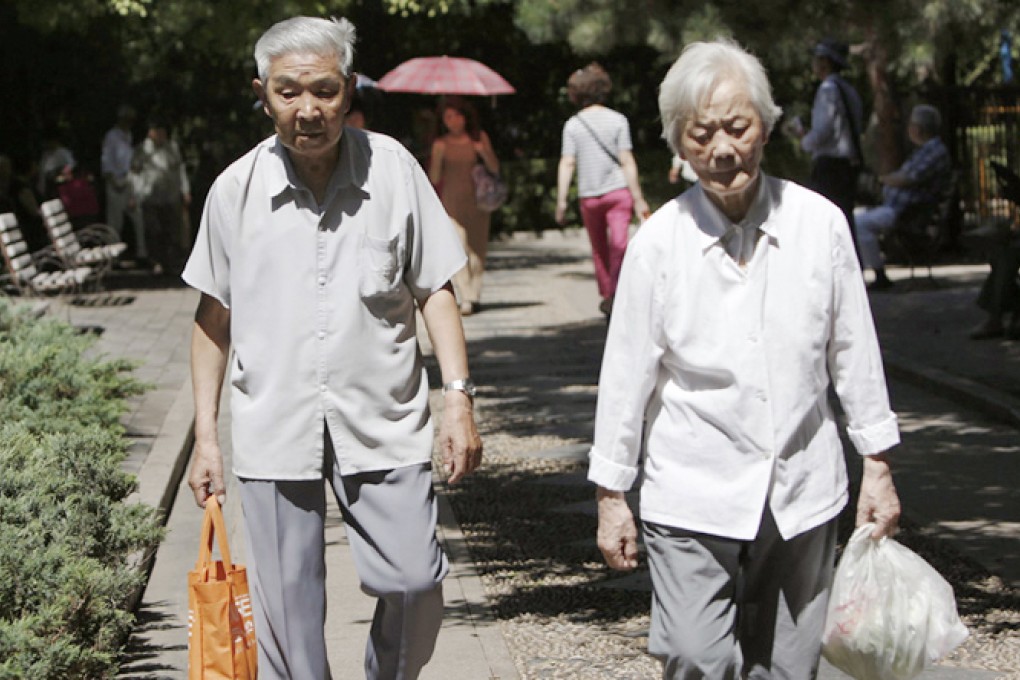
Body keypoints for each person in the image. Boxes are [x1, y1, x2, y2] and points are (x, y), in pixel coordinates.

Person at [589, 39, 902, 679]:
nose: (722, 149)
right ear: (677, 141)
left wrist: (877, 463)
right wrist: (610, 494)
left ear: (767, 125)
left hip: (802, 483)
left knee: (786, 668)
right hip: (691, 484)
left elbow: (854, 350)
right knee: (695, 656)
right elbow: (625, 377)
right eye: (700, 134)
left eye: (738, 127)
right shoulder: (658, 245)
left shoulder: (820, 224)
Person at [183, 16, 482, 680]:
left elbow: (436, 287)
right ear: (262, 94)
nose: (308, 110)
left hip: (383, 417)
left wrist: (457, 398)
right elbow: (212, 320)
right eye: (289, 92)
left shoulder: (395, 169)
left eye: (323, 90)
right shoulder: (235, 191)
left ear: (347, 89)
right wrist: (207, 436)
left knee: (414, 581)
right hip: (274, 426)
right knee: (288, 622)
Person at [555, 62, 650, 318]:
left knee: (599, 248)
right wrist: (639, 199)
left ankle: (608, 294)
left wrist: (562, 200)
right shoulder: (618, 120)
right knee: (619, 244)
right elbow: (627, 161)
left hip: (589, 195)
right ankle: (618, 291)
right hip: (618, 192)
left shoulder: (573, 125)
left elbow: (567, 162)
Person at [853, 104, 952, 290]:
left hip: (908, 213)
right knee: (853, 216)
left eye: (911, 125)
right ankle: (867, 272)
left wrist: (883, 180)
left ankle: (879, 275)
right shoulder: (925, 150)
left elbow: (908, 178)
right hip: (899, 208)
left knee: (859, 224)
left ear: (918, 128)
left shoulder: (934, 151)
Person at [428, 96, 499, 316]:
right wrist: (437, 157)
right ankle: (466, 296)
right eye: (448, 117)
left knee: (477, 250)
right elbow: (434, 177)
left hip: (477, 201)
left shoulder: (479, 138)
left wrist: (482, 152)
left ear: (466, 118)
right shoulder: (440, 144)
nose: (453, 121)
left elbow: (495, 168)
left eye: (457, 115)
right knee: (458, 247)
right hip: (451, 201)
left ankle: (475, 293)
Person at [794, 39, 865, 257]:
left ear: (825, 62)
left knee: (827, 220)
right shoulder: (849, 90)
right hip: (847, 164)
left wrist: (804, 140)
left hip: (830, 165)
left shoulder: (827, 90)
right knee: (845, 218)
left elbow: (823, 131)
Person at [132, 116, 191, 274]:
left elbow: (180, 169)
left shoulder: (172, 147)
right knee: (153, 231)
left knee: (171, 231)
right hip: (150, 196)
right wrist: (135, 195)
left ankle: (170, 263)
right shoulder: (143, 150)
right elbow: (134, 173)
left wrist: (185, 190)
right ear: (151, 133)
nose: (161, 135)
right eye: (157, 132)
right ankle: (156, 262)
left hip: (170, 196)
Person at [101, 104, 148, 264]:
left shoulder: (129, 136)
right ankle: (113, 259)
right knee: (115, 223)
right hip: (115, 182)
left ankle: (142, 254)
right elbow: (107, 161)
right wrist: (113, 182)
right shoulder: (111, 136)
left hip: (129, 181)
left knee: (138, 218)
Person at [0, 153, 46, 251]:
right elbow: (33, 210)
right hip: (28, 231)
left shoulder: (12, 186)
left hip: (20, 230)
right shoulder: (19, 187)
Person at [36, 132, 77, 199]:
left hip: (59, 184)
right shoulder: (45, 154)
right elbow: (42, 171)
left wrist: (63, 172)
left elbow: (72, 164)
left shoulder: (63, 152)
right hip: (46, 185)